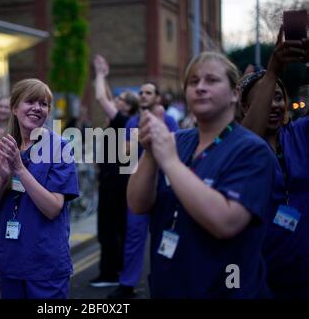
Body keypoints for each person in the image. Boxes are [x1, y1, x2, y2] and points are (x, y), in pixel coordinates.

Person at [128, 51, 276, 298]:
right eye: (193, 82)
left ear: (234, 94)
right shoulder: (176, 141)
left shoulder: (252, 150)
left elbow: (225, 222)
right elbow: (137, 204)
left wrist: (170, 162)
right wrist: (151, 152)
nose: (201, 88)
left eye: (212, 80)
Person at [0, 78, 79, 299]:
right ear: (15, 108)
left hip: (45, 265)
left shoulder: (59, 148)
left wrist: (20, 170)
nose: (37, 108)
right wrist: (3, 178)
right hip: (12, 263)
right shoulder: (6, 145)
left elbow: (53, 208)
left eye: (43, 104)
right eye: (30, 102)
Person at [239, 27, 309, 298]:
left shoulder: (300, 133)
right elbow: (245, 141)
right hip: (260, 268)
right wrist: (272, 72)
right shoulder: (237, 144)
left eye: (278, 98)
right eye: (264, 99)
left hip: (303, 266)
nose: (273, 105)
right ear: (246, 108)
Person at [108, 82, 179, 299]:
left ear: (157, 97)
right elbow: (123, 152)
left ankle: (167, 280)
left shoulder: (169, 120)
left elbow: (176, 148)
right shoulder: (132, 121)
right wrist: (141, 132)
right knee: (134, 236)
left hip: (165, 186)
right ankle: (127, 284)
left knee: (166, 236)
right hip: (140, 185)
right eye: (141, 92)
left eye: (149, 92)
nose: (144, 95)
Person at [89, 55, 139, 288]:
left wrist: (99, 73)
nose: (115, 100)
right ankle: (113, 270)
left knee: (109, 228)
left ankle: (110, 273)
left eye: (120, 99)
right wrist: (105, 76)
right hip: (113, 180)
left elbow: (101, 97)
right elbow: (106, 96)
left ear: (127, 107)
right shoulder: (121, 120)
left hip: (117, 182)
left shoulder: (123, 120)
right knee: (112, 226)